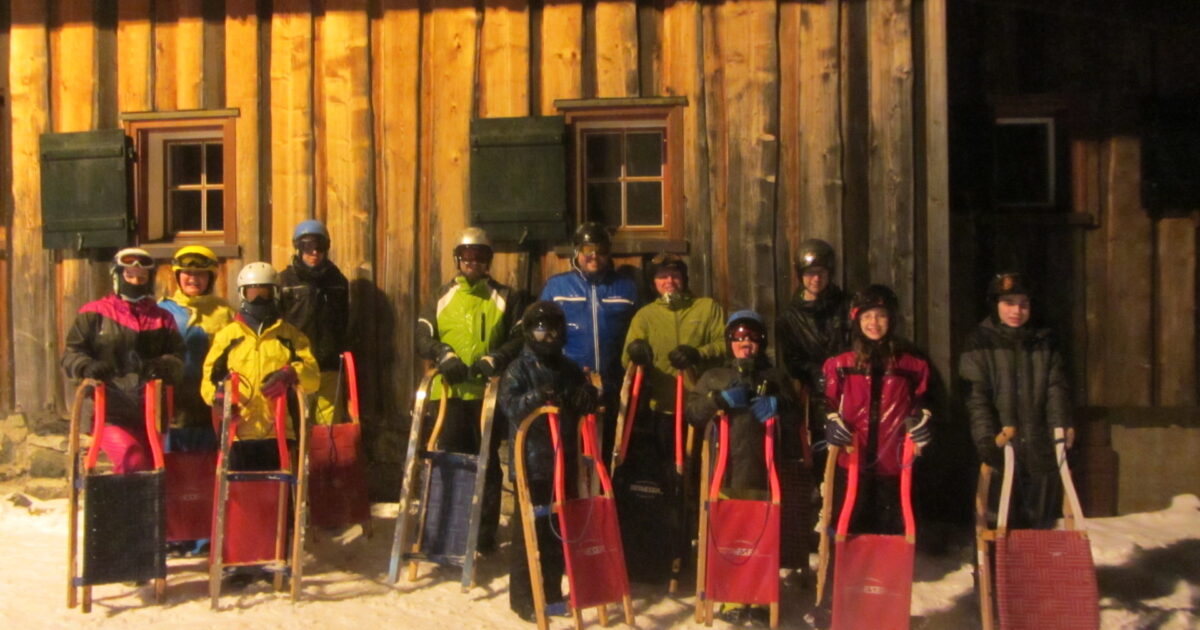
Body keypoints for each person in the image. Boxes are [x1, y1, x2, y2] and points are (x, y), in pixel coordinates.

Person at [808, 284, 931, 628]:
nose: (874, 323)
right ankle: (834, 605)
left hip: (894, 466)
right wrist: (830, 421)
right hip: (852, 466)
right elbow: (823, 403)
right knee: (845, 534)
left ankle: (885, 607)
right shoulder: (841, 364)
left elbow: (924, 403)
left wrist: (923, 421)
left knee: (889, 539)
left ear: (892, 319)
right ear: (855, 320)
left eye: (881, 316)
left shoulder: (911, 364)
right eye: (867, 316)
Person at [686, 310, 801, 626]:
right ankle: (732, 595)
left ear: (760, 342)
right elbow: (693, 413)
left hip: (764, 470)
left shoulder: (774, 377)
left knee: (760, 532)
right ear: (729, 342)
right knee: (731, 532)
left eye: (751, 337)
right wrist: (717, 400)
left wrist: (779, 406)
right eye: (738, 337)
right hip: (726, 468)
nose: (744, 343)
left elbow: (795, 421)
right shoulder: (715, 376)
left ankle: (760, 596)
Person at [415, 227, 526, 552]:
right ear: (457, 259)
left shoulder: (505, 297)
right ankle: (446, 531)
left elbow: (519, 337)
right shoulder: (441, 296)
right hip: (449, 394)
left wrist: (498, 357)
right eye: (467, 256)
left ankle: (482, 537)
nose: (472, 262)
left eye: (479, 257)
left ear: (488, 260)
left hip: (486, 395)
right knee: (446, 461)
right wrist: (442, 353)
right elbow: (422, 335)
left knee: (486, 463)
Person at [618, 252, 725, 583]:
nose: (669, 282)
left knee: (696, 483)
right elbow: (627, 357)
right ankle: (663, 552)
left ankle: (696, 554)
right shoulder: (646, 315)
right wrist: (636, 353)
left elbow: (725, 343)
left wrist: (698, 353)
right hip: (661, 411)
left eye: (675, 276)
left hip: (698, 409)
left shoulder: (707, 308)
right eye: (662, 277)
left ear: (685, 279)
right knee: (665, 485)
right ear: (654, 283)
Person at [498, 301, 600, 623]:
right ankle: (524, 597)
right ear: (530, 332)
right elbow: (511, 406)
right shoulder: (519, 368)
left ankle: (553, 592)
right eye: (541, 329)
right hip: (530, 461)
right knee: (529, 532)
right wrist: (536, 396)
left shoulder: (568, 367)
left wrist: (586, 398)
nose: (548, 336)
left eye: (553, 329)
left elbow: (586, 397)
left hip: (562, 458)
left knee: (559, 530)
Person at [959, 272, 1072, 529]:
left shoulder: (1044, 341)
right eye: (1009, 303)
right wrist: (986, 439)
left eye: (1023, 304)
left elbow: (1056, 388)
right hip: (1002, 445)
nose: (1016, 311)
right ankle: (997, 566)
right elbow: (976, 397)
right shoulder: (979, 343)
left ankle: (1035, 567)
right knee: (998, 523)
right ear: (996, 305)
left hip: (1037, 444)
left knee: (1039, 522)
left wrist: (1061, 426)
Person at [61, 247, 185, 473]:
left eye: (141, 277)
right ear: (117, 276)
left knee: (153, 468)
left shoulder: (162, 318)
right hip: (110, 408)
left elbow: (178, 359)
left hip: (150, 409)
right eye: (129, 276)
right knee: (132, 458)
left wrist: (161, 366)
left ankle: (142, 509)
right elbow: (71, 353)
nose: (135, 281)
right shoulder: (95, 313)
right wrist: (87, 366)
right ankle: (124, 507)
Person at [539, 222, 638, 458]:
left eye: (601, 250)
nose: (594, 256)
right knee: (570, 448)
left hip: (614, 380)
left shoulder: (625, 287)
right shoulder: (557, 286)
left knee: (611, 448)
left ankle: (607, 492)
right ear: (577, 252)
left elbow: (639, 327)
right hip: (571, 380)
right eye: (587, 249)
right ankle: (572, 492)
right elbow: (539, 331)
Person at [201, 262, 320, 453]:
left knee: (278, 483)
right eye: (252, 293)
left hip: (280, 433)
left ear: (276, 294)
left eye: (265, 293)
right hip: (237, 434)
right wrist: (218, 397)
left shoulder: (291, 336)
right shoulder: (228, 336)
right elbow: (208, 379)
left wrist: (291, 374)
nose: (258, 300)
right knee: (241, 484)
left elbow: (314, 378)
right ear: (242, 294)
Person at [157, 245, 235, 451]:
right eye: (187, 273)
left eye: (200, 274)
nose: (193, 278)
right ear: (177, 276)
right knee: (173, 460)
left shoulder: (224, 312)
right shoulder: (162, 311)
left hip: (211, 400)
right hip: (174, 401)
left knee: (209, 461)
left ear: (211, 278)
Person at [777, 238, 850, 457]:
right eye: (810, 273)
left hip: (850, 385)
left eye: (821, 272)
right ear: (800, 275)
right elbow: (792, 361)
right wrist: (814, 372)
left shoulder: (847, 305)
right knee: (821, 446)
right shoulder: (789, 317)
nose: (816, 279)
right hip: (818, 392)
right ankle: (820, 486)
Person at [279, 219, 350, 426]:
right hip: (298, 364)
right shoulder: (285, 281)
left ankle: (326, 459)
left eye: (320, 247)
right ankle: (300, 459)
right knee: (300, 421)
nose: (314, 253)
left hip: (329, 364)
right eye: (307, 247)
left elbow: (344, 320)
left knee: (330, 425)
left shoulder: (337, 281)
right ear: (298, 248)